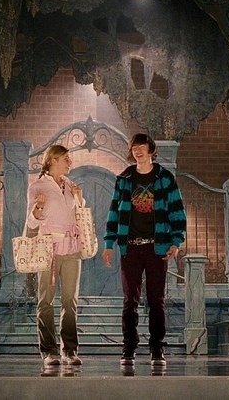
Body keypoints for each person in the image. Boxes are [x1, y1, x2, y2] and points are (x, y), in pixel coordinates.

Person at [102, 133, 186, 367]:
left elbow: (177, 211)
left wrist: (176, 242)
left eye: (141, 147)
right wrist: (108, 244)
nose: (138, 151)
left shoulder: (165, 178)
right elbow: (113, 212)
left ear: (151, 150)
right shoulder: (124, 179)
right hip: (130, 248)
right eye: (134, 148)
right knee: (130, 300)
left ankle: (157, 349)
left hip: (157, 248)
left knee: (156, 300)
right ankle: (129, 347)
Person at [26, 145, 85, 366]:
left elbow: (79, 215)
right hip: (48, 248)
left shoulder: (70, 185)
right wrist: (39, 207)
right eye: (66, 159)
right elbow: (32, 223)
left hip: (72, 248)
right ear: (53, 160)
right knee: (46, 301)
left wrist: (79, 199)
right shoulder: (37, 187)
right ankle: (49, 351)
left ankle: (69, 351)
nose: (70, 162)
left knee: (70, 301)